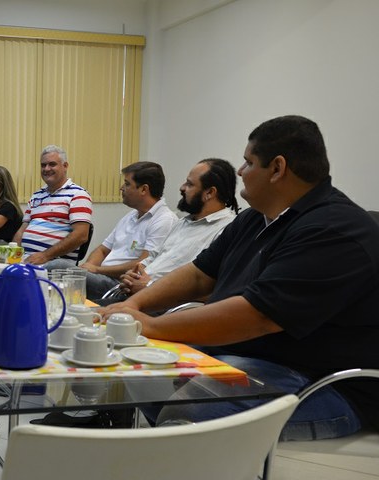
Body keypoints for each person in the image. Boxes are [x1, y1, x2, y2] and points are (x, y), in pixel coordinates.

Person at [100, 115, 379, 442]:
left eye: (248, 162)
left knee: (188, 410)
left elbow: (258, 316)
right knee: (143, 372)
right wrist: (132, 305)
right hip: (247, 357)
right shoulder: (254, 219)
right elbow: (198, 276)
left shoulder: (334, 230)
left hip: (321, 384)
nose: (240, 172)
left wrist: (148, 325)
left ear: (277, 168)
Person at [101, 158, 239, 303]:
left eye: (189, 184)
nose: (182, 188)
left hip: (165, 306)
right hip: (135, 294)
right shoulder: (183, 222)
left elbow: (219, 290)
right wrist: (133, 273)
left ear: (209, 192)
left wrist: (149, 286)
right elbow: (154, 258)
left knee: (87, 314)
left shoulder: (226, 230)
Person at [80, 161, 177, 300]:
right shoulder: (131, 215)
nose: (121, 188)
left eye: (127, 184)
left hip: (120, 285)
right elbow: (102, 249)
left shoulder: (164, 220)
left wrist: (97, 270)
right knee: (62, 272)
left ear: (144, 189)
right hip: (102, 276)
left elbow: (143, 264)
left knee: (57, 268)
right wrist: (90, 267)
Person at [14, 145, 92, 267]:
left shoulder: (78, 195)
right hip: (28, 260)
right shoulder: (37, 195)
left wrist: (45, 255)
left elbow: (81, 235)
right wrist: (13, 254)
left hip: (53, 263)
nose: (46, 169)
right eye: (43, 165)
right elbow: (22, 230)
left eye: (52, 164)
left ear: (65, 166)